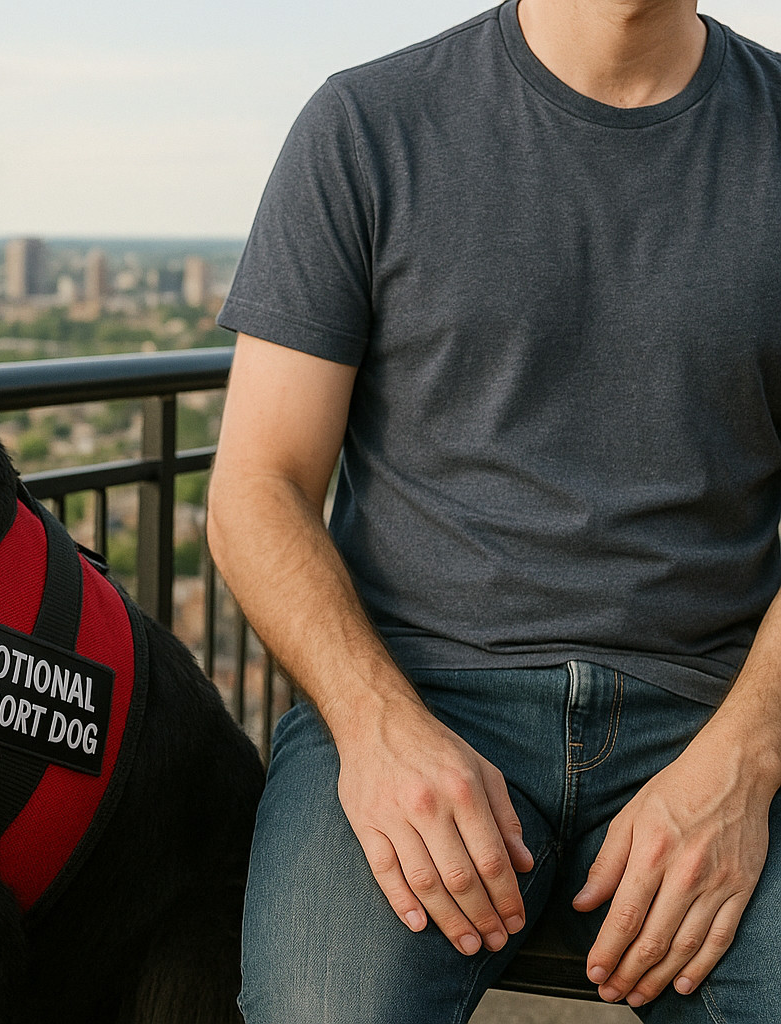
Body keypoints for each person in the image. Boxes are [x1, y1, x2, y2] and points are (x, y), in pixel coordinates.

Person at [207, 0, 781, 1020]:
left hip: (712, 715)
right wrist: (379, 732)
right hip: (416, 698)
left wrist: (747, 763)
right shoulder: (366, 125)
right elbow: (260, 487)